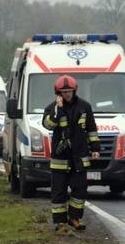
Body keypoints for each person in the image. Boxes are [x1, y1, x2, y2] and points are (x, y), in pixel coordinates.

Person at [43, 75, 100, 231]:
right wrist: (58, 109)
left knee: (80, 190)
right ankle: (60, 222)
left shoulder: (85, 107)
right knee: (58, 192)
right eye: (64, 91)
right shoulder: (52, 107)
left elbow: (91, 128)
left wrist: (95, 148)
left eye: (69, 91)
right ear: (58, 93)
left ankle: (74, 218)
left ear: (74, 91)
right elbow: (48, 125)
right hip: (60, 158)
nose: (67, 94)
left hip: (79, 157)